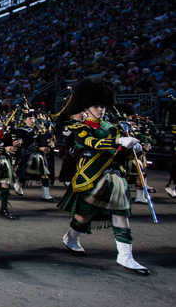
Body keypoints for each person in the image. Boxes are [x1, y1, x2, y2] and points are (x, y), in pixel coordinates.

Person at [57, 78, 149, 275]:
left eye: (102, 106)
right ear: (86, 108)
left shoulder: (113, 127)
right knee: (84, 216)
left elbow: (121, 154)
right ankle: (71, 237)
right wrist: (117, 140)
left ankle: (125, 255)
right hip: (91, 175)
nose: (101, 110)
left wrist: (134, 148)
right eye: (96, 106)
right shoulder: (80, 128)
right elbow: (91, 143)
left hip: (115, 177)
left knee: (121, 213)